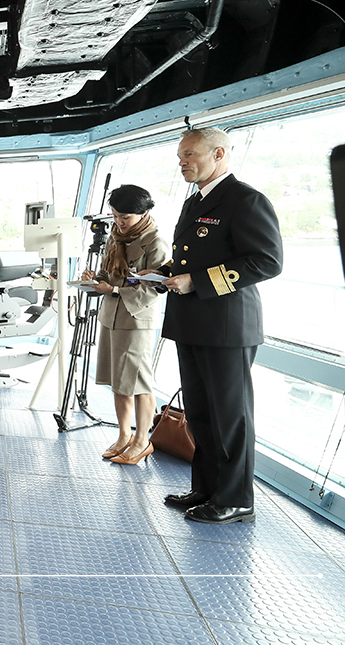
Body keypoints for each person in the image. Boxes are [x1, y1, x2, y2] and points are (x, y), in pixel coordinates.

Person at [157, 127, 283, 525]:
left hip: (227, 326)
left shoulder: (245, 200)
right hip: (191, 322)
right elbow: (192, 257)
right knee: (200, 413)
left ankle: (236, 499)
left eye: (190, 154)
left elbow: (267, 261)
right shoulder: (196, 202)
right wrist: (163, 273)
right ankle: (207, 489)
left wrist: (197, 281)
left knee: (230, 416)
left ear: (219, 154)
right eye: (180, 156)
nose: (183, 163)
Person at [78, 185, 168, 466]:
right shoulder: (115, 238)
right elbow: (109, 274)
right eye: (115, 216)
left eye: (125, 217)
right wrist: (94, 279)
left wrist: (114, 291)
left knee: (139, 383)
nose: (119, 222)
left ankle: (143, 441)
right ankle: (123, 436)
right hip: (111, 316)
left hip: (136, 319)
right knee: (119, 382)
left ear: (143, 213)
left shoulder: (156, 243)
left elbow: (157, 287)